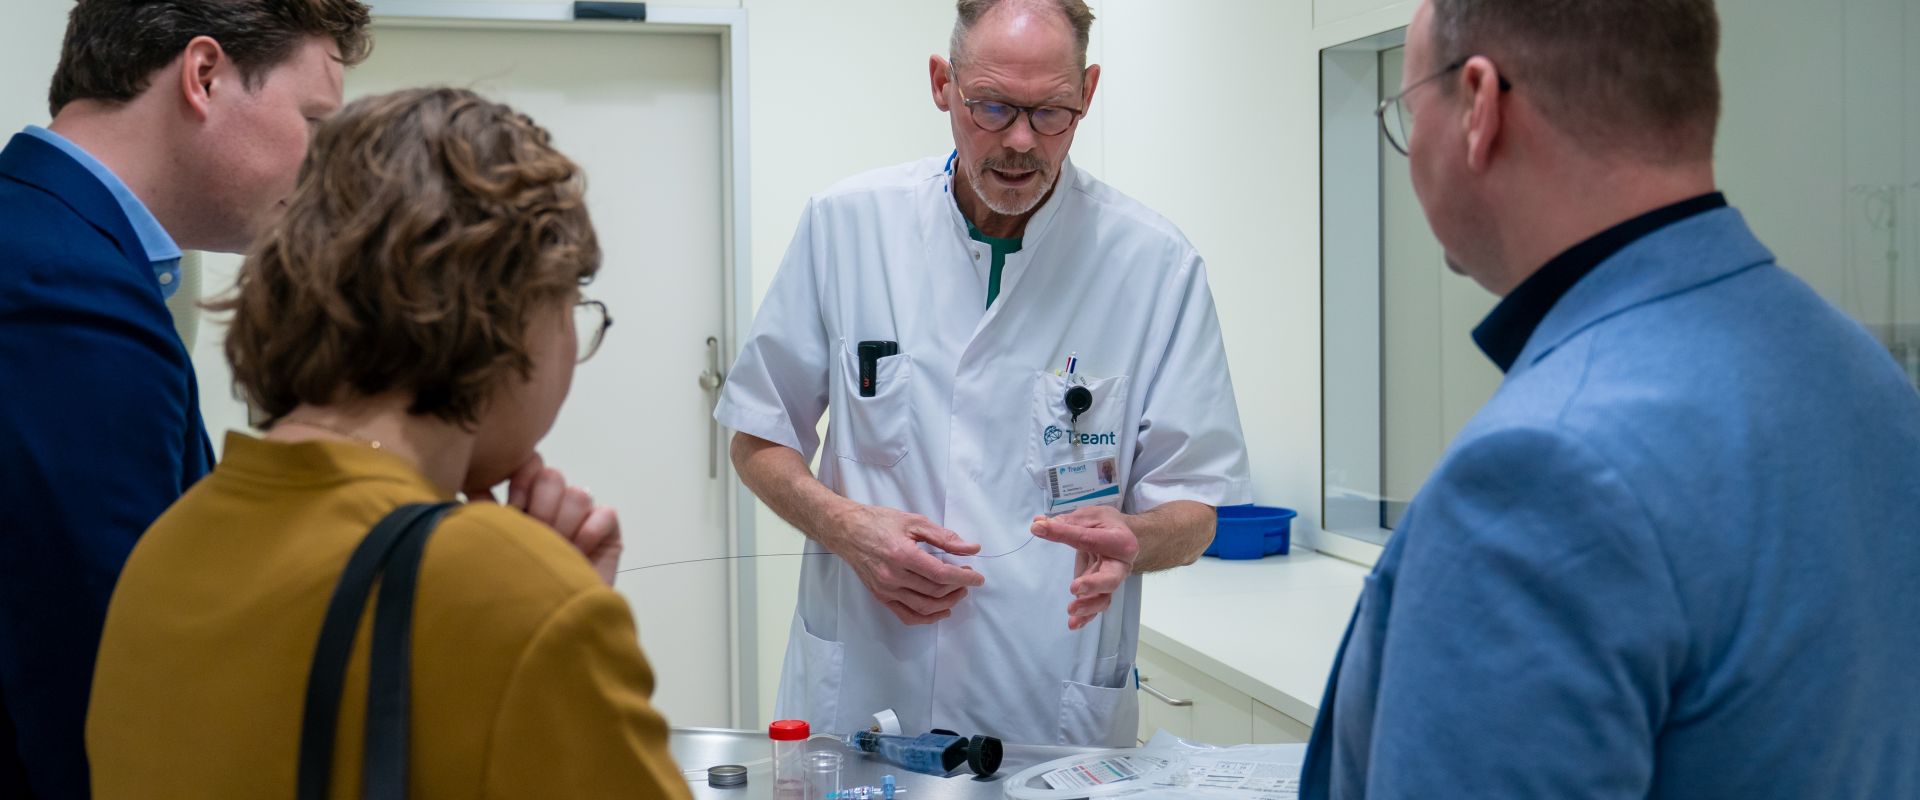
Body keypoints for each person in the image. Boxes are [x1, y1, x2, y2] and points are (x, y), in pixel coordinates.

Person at [1300, 0, 1920, 796]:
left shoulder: (1541, 472)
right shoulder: (1866, 379)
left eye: (1407, 113)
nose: (1409, 150)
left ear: (1480, 108)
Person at [84, 87, 690, 799]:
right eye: (574, 309)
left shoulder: (165, 549)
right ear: (515, 309)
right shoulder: (509, 589)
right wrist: (551, 613)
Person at [717, 0, 1250, 747]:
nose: (1020, 142)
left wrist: (1135, 537)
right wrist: (849, 529)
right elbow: (756, 437)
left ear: (1088, 93)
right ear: (943, 84)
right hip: (871, 683)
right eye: (992, 107)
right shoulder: (847, 226)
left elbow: (1196, 509)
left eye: (1052, 112)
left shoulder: (1156, 267)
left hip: (1044, 703)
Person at [0, 2, 372, 795]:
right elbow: (106, 671)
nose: (320, 170)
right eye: (312, 120)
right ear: (203, 76)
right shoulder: (65, 290)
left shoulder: (54, 245)